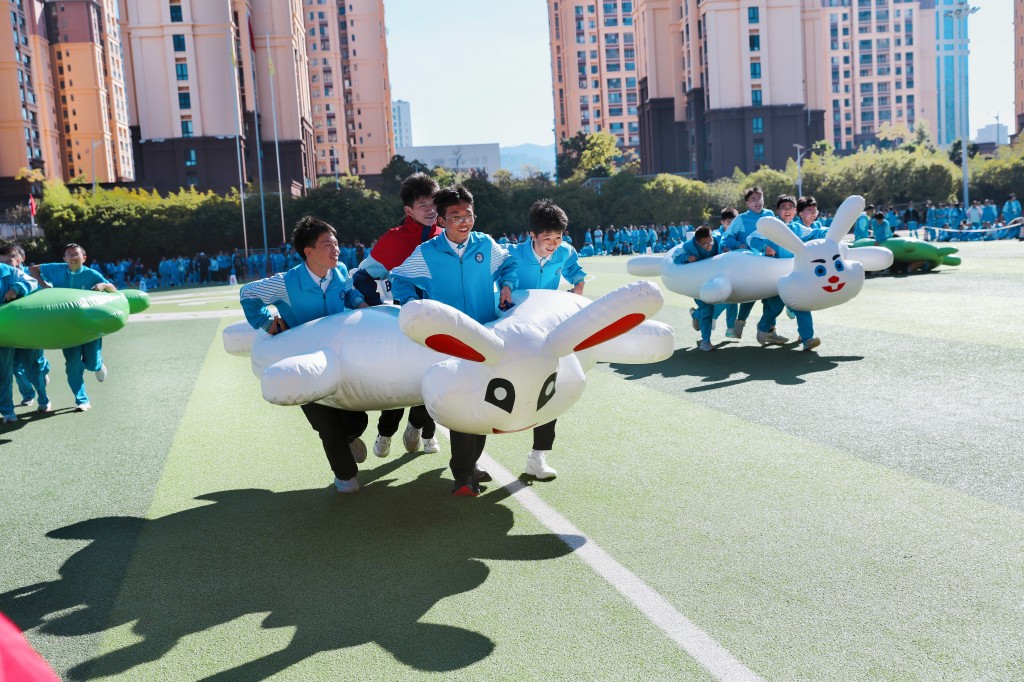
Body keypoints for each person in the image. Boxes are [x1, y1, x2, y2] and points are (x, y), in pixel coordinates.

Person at [391, 184, 517, 497]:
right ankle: (463, 474)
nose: (464, 221)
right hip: (449, 342)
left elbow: (509, 265)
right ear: (442, 221)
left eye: (468, 215)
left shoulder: (485, 245)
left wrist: (506, 286)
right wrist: (411, 304)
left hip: (485, 337)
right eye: (456, 216)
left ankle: (469, 466)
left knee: (482, 404)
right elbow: (400, 277)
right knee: (463, 402)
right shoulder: (427, 253)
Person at [239, 216, 371, 493]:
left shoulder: (340, 271)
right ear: (308, 251)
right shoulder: (286, 282)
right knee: (328, 425)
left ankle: (349, 439)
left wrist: (363, 306)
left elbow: (349, 292)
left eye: (336, 243)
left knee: (358, 419)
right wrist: (266, 322)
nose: (336, 249)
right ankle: (345, 476)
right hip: (304, 364)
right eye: (328, 245)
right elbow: (248, 293)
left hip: (341, 361)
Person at [352, 172, 442, 459]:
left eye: (434, 203)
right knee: (398, 381)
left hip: (439, 323)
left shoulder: (447, 237)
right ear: (408, 210)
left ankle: (418, 427)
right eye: (423, 205)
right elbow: (361, 277)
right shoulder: (393, 240)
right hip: (402, 325)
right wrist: (379, 308)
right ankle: (386, 432)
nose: (430, 210)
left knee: (435, 379)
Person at [507, 199, 586, 480]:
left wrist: (578, 287)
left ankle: (538, 457)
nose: (553, 244)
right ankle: (473, 461)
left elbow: (576, 272)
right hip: (514, 331)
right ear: (532, 235)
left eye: (558, 237)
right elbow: (502, 277)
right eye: (547, 238)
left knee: (550, 390)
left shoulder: (565, 252)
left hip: (546, 331)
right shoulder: (513, 254)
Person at [29, 244, 116, 412]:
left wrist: (103, 286)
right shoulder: (56, 269)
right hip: (67, 328)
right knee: (73, 364)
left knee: (91, 363)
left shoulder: (92, 274)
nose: (72, 257)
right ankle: (82, 400)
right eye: (68, 254)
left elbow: (113, 289)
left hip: (90, 327)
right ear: (64, 258)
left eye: (76, 254)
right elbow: (33, 269)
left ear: (84, 258)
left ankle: (98, 365)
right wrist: (44, 286)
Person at [750, 196, 828, 350]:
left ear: (795, 211)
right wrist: (765, 247)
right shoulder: (771, 227)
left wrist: (831, 231)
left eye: (790, 207)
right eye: (783, 207)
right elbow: (752, 239)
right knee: (775, 307)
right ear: (777, 211)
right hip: (774, 277)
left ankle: (807, 339)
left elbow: (816, 233)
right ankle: (763, 326)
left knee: (802, 305)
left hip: (794, 275)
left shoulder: (798, 229)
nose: (787, 210)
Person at [0, 244, 51, 413]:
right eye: (2, 261)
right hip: (7, 333)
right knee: (15, 368)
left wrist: (16, 289)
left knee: (34, 366)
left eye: (9, 260)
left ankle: (43, 397)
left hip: (28, 330)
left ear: (19, 259)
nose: (5, 264)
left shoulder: (22, 275)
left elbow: (35, 286)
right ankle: (27, 395)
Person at [721, 186, 776, 339]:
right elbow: (726, 238)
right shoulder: (740, 219)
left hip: (770, 263)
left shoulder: (770, 215)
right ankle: (740, 322)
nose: (757, 202)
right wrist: (738, 245)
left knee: (771, 297)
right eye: (752, 200)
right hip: (749, 265)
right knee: (751, 295)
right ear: (747, 203)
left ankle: (771, 331)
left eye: (759, 198)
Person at [1, 257, 39, 423]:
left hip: (4, 332)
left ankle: (7, 411)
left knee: (3, 373)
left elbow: (32, 281)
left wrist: (16, 289)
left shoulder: (7, 271)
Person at [674, 225, 721, 352]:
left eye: (710, 241)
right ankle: (706, 342)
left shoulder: (718, 239)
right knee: (707, 309)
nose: (709, 245)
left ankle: (695, 314)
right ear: (698, 242)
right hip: (699, 283)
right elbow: (675, 257)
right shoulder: (688, 246)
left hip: (717, 280)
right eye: (705, 244)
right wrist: (687, 258)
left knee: (719, 305)